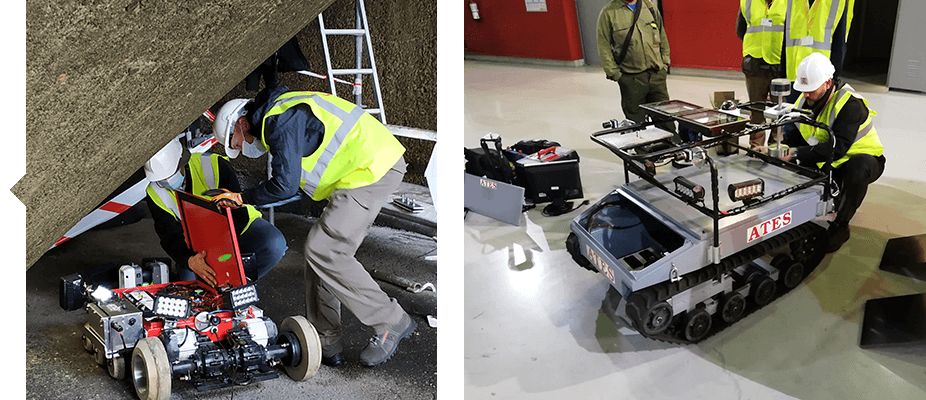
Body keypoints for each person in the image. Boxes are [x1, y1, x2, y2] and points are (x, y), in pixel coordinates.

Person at [211, 85, 415, 367]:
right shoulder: (279, 114)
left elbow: (285, 185)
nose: (238, 149)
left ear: (242, 123)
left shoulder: (278, 121)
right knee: (320, 253)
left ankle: (391, 321)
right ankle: (326, 339)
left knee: (325, 249)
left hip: (371, 168)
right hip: (358, 171)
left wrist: (242, 198)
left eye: (234, 141)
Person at [143, 137, 287, 285]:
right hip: (196, 248)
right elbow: (170, 237)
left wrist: (221, 253)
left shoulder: (213, 164)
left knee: (274, 245)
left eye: (171, 175)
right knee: (190, 289)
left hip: (239, 229)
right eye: (161, 180)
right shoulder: (154, 193)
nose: (167, 182)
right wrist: (190, 261)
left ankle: (240, 285)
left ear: (182, 162)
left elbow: (239, 214)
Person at [780, 53, 884, 252]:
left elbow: (837, 148)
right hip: (829, 160)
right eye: (803, 90)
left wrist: (795, 153)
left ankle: (840, 226)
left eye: (810, 90)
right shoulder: (804, 101)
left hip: (860, 159)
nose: (806, 95)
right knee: (794, 165)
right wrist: (778, 150)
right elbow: (795, 136)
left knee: (857, 169)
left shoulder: (850, 104)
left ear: (827, 83)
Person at [597, 0, 676, 137]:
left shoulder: (649, 7)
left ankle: (670, 145)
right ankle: (642, 151)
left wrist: (665, 63)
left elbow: (662, 34)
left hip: (656, 73)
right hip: (631, 77)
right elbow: (603, 45)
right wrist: (615, 74)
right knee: (636, 120)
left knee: (664, 115)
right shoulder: (609, 13)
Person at [736, 0, 788, 153]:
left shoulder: (790, 2)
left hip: (779, 65)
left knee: (780, 112)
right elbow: (741, 30)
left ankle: (775, 149)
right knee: (756, 112)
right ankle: (756, 149)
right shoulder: (747, 2)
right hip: (755, 65)